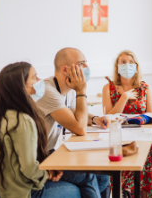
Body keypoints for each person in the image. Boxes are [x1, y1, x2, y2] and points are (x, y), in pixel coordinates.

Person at [0, 62, 83, 198]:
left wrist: (48, 172)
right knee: (77, 190)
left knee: (91, 178)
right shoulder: (23, 120)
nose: (40, 81)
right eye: (35, 78)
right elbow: (29, 169)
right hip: (24, 193)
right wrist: (48, 174)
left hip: (8, 189)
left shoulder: (4, 115)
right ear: (21, 87)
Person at [35, 47, 111, 198]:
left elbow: (77, 113)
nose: (87, 68)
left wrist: (95, 119)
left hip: (50, 154)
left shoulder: (67, 88)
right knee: (88, 175)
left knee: (103, 176)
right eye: (82, 63)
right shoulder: (46, 91)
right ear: (65, 69)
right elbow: (79, 128)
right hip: (38, 160)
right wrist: (81, 90)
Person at [102, 50, 152, 198]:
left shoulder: (145, 88)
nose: (127, 65)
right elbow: (109, 116)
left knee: (146, 150)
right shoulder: (108, 88)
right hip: (118, 134)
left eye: (131, 62)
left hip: (142, 134)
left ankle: (141, 193)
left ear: (137, 66)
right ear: (117, 66)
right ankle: (125, 192)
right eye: (123, 62)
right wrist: (124, 97)